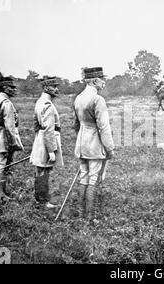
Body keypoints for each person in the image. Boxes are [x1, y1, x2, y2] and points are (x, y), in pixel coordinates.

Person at [73, 67, 114, 220]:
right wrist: (109, 148)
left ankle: (81, 214)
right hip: (95, 143)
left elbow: (76, 124)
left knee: (84, 176)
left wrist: (81, 139)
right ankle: (90, 217)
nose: (104, 82)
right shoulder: (98, 99)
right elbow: (104, 127)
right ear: (95, 81)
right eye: (102, 79)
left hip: (82, 142)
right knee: (94, 178)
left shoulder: (78, 98)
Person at [29, 76, 63, 209]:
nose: (57, 89)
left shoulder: (40, 101)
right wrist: (51, 150)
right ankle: (42, 202)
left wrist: (38, 138)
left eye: (57, 86)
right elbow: (48, 128)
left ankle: (40, 200)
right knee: (43, 170)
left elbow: (35, 124)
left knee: (41, 170)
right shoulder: (47, 104)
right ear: (45, 88)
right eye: (53, 86)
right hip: (46, 140)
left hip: (40, 138)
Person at [0, 76, 24, 200]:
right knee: (4, 165)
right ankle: (1, 194)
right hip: (4, 137)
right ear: (5, 88)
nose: (14, 90)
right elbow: (10, 126)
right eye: (12, 87)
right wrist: (14, 143)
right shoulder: (7, 103)